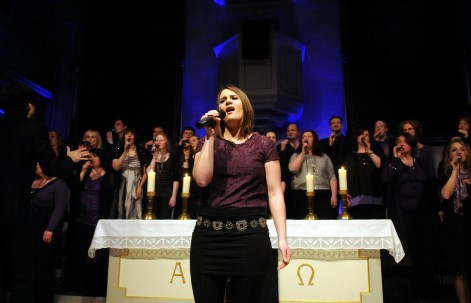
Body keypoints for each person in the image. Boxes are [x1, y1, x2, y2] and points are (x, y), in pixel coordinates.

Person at [190, 84, 290, 303]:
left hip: (250, 238)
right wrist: (209, 137)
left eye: (233, 98)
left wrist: (282, 237)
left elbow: (274, 193)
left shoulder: (263, 144)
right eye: (222, 99)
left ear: (245, 106)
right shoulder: (206, 143)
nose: (227, 102)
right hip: (208, 237)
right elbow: (202, 179)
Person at [0, 83, 89, 303]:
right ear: (29, 106)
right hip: (16, 210)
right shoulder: (33, 128)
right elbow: (50, 167)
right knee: (22, 275)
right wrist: (71, 158)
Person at [381, 132, 441, 301]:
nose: (402, 144)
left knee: (426, 251)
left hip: (424, 213)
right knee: (412, 252)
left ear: (411, 145)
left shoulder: (420, 162)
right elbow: (385, 179)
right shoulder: (393, 163)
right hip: (404, 214)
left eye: (405, 142)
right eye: (399, 141)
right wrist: (394, 158)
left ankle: (429, 290)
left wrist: (438, 208)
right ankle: (414, 292)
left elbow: (430, 185)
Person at [66, 148, 112, 296]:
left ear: (101, 159)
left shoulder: (107, 176)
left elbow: (110, 200)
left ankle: (94, 287)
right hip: (81, 219)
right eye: (90, 156)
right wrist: (82, 172)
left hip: (96, 221)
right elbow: (73, 191)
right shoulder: (85, 174)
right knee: (78, 253)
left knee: (94, 256)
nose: (92, 159)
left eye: (95, 156)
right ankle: (77, 285)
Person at [438, 136, 471, 303]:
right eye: (454, 150)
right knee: (460, 271)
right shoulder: (447, 174)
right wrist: (456, 171)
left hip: (469, 225)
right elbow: (445, 194)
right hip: (456, 226)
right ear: (449, 156)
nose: (459, 152)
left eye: (462, 149)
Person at [31, 162, 69, 303]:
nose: (36, 166)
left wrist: (50, 229)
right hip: (32, 228)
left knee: (45, 266)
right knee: (33, 266)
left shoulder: (59, 184)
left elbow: (59, 208)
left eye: (39, 164)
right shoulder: (34, 182)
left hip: (47, 229)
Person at [288, 130, 338, 219]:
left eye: (309, 136)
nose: (306, 138)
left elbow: (332, 176)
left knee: (324, 220)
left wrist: (333, 195)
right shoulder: (296, 155)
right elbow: (293, 169)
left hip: (323, 193)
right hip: (301, 193)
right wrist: (303, 153)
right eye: (303, 137)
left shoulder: (324, 157)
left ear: (314, 139)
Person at [344, 128, 385, 219]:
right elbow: (345, 175)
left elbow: (379, 165)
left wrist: (369, 151)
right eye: (361, 134)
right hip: (355, 197)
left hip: (374, 196)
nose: (364, 136)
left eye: (366, 135)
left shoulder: (375, 152)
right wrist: (344, 193)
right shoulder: (350, 156)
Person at [139, 133, 179, 219]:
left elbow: (176, 179)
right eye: (157, 140)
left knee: (164, 218)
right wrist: (154, 157)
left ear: (166, 142)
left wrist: (174, 196)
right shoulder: (153, 156)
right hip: (153, 193)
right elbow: (149, 173)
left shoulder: (172, 157)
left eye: (161, 140)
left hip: (167, 193)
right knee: (152, 217)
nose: (158, 142)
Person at [112, 128, 148, 219]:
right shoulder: (118, 149)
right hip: (123, 181)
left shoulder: (140, 150)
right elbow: (116, 167)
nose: (129, 136)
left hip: (137, 180)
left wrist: (140, 187)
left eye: (132, 134)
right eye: (127, 134)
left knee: (136, 206)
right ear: (124, 136)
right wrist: (125, 152)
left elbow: (146, 171)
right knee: (123, 204)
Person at [277, 123, 301, 219]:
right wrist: (282, 149)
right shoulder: (282, 146)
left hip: (301, 179)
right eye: (288, 130)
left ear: (298, 132)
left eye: (293, 130)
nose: (290, 132)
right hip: (287, 180)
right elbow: (280, 164)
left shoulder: (303, 145)